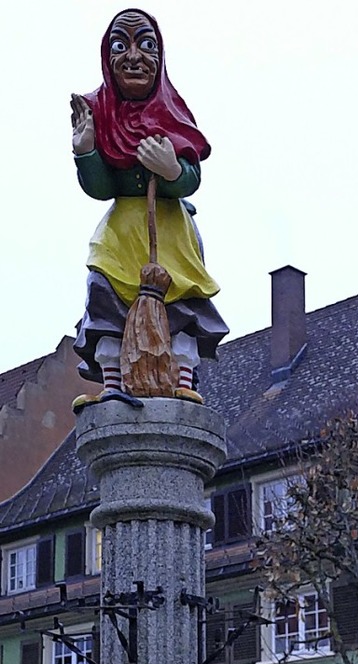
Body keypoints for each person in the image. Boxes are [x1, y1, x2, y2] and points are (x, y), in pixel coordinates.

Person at [71, 8, 228, 405]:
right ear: (107, 60)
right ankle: (111, 384)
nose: (134, 56)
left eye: (147, 44)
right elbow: (101, 187)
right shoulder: (102, 114)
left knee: (180, 304)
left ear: (161, 58)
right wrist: (87, 151)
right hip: (122, 234)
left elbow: (192, 177)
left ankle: (183, 380)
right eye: (121, 46)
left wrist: (172, 169)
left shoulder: (172, 114)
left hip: (170, 233)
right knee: (104, 295)